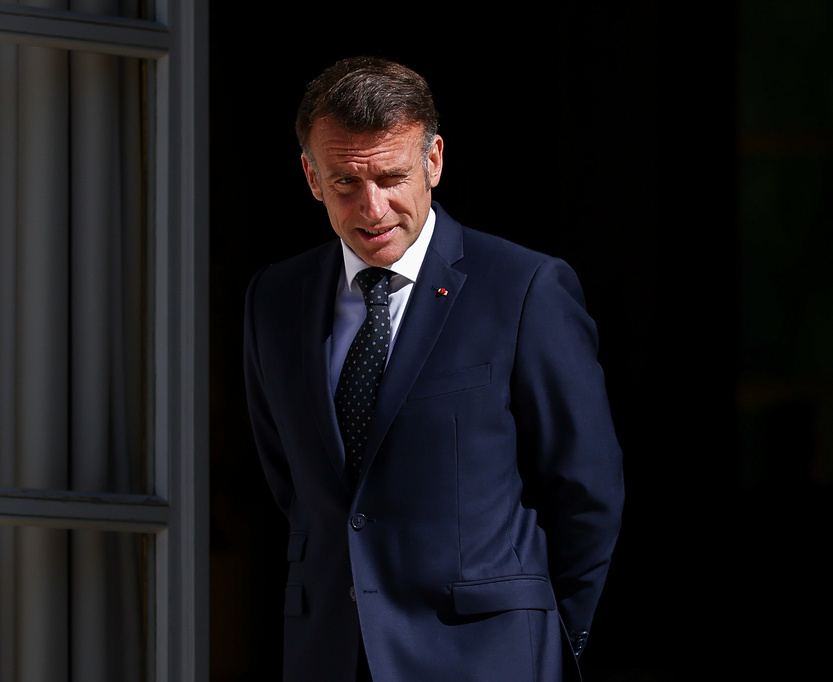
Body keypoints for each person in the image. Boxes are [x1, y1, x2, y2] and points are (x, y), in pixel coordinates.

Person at [243, 55, 624, 682]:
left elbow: (587, 493)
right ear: (311, 176)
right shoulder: (275, 298)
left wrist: (547, 647)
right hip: (329, 653)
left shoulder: (523, 288)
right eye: (345, 182)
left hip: (488, 658)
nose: (373, 208)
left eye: (392, 177)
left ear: (434, 162)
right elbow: (296, 489)